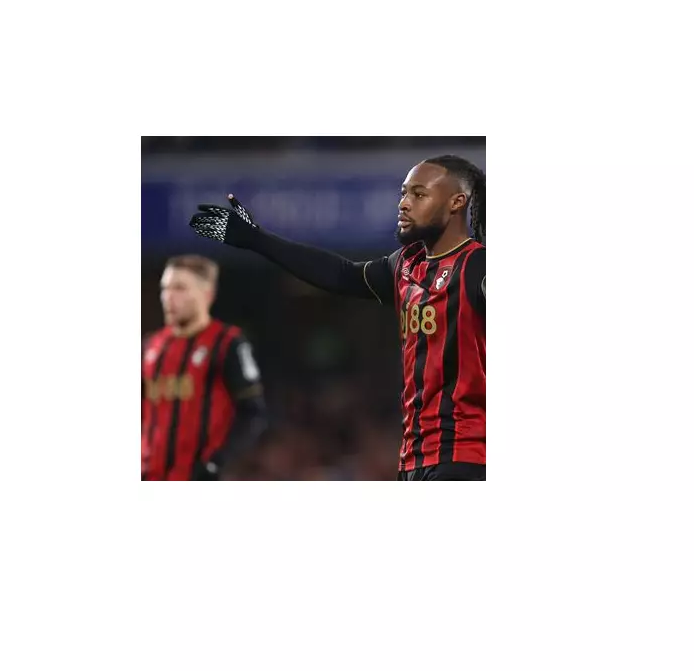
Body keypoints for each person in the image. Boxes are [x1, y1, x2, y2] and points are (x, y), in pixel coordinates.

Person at [189, 154, 486, 481]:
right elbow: (341, 274)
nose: (404, 203)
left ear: (457, 202)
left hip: (466, 454)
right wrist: (256, 239)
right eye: (404, 193)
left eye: (419, 194)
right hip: (416, 457)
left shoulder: (478, 267)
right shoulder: (406, 265)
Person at [141, 255, 267, 480]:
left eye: (180, 288)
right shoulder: (150, 346)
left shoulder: (228, 343)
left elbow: (252, 413)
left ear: (206, 295)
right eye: (165, 288)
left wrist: (217, 462)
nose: (168, 297)